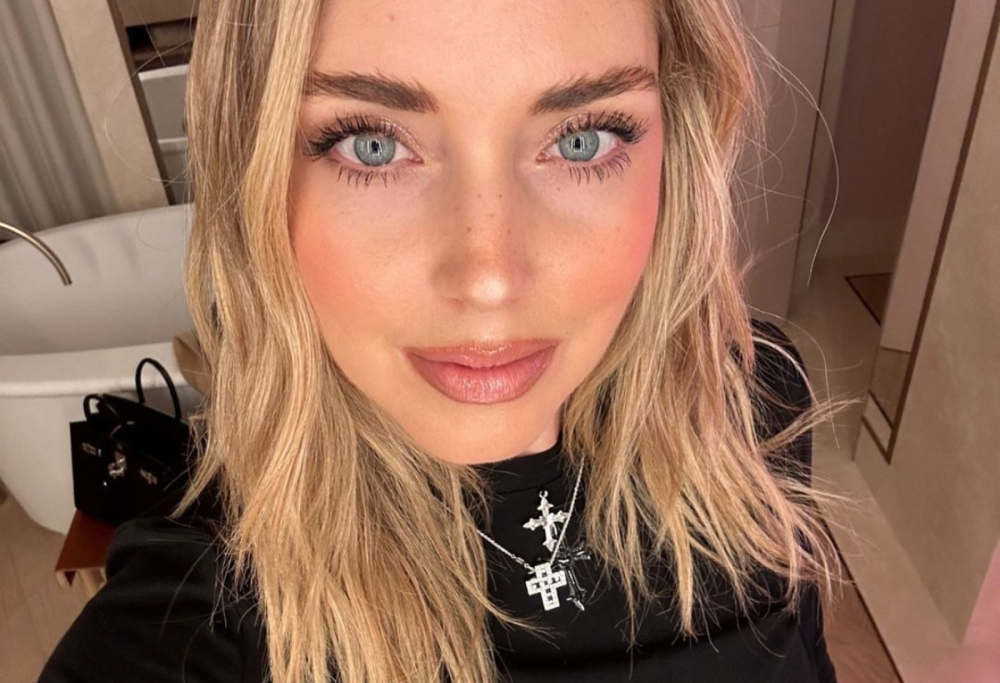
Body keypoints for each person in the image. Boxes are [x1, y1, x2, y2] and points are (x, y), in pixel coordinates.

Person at [38, 0, 854, 681]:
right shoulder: (195, 620)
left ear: (677, 147)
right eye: (372, 145)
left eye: (583, 138)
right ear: (252, 172)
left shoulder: (753, 396)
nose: (490, 278)